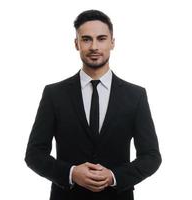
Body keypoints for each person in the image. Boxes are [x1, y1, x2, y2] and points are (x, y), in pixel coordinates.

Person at [25, 9, 162, 200]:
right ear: (76, 43)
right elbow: (34, 154)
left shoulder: (135, 95)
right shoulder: (54, 94)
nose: (94, 46)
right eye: (87, 39)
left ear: (112, 42)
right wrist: (71, 173)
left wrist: (114, 176)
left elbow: (151, 156)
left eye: (102, 38)